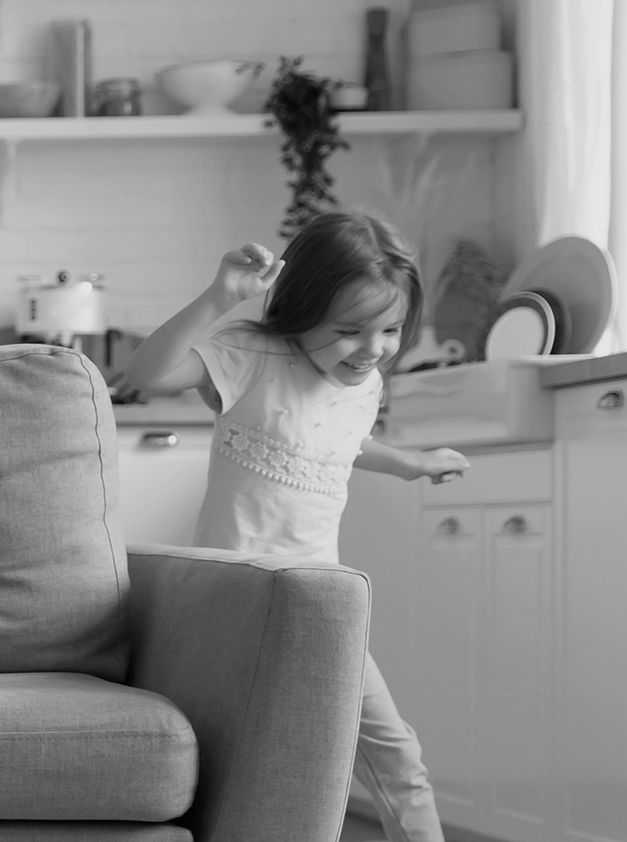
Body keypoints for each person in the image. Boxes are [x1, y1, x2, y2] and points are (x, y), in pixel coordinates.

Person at [121, 210, 469, 842]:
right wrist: (219, 298)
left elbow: (341, 442)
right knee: (239, 764)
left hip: (322, 605)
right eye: (351, 330)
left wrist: (412, 462)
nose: (373, 348)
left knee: (399, 756)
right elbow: (147, 377)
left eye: (390, 329)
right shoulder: (250, 355)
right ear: (303, 309)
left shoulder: (364, 383)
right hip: (235, 602)